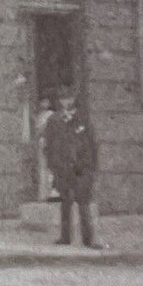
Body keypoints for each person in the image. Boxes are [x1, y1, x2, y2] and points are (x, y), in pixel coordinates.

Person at [42, 88, 104, 248]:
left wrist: (92, 167)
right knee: (65, 203)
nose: (66, 102)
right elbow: (48, 145)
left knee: (83, 203)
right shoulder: (53, 121)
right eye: (63, 99)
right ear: (59, 101)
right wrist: (52, 166)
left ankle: (88, 239)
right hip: (62, 168)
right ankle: (65, 237)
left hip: (82, 168)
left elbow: (92, 144)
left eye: (69, 99)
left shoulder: (83, 119)